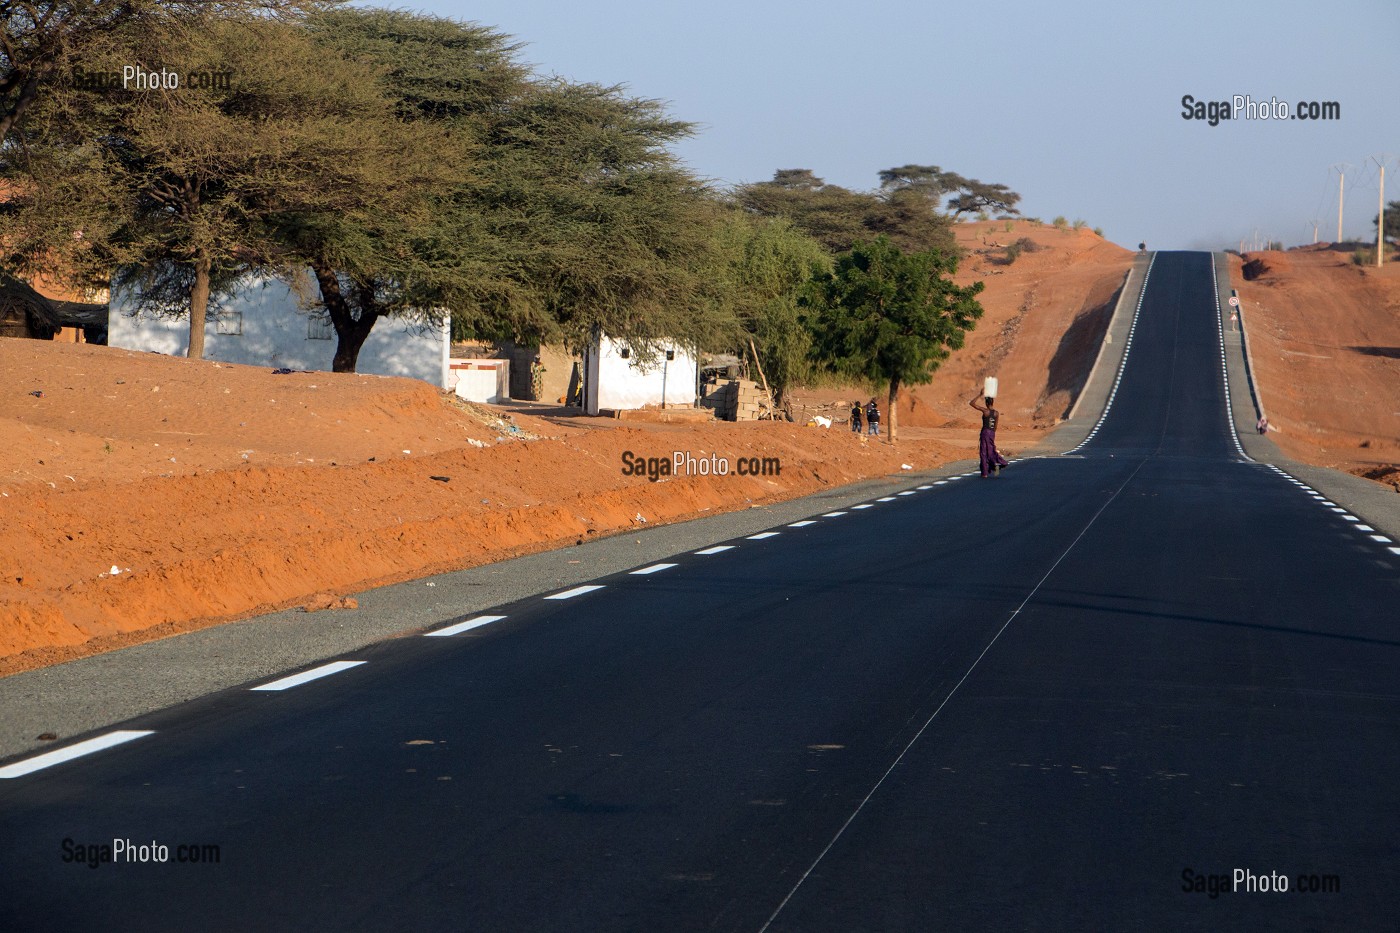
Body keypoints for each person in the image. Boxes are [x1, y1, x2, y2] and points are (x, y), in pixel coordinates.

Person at [969, 391, 1009, 477]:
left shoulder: (985, 411)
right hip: (992, 433)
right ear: (992, 402)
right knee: (991, 450)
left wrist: (980, 394)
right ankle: (998, 466)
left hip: (985, 432)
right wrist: (992, 434)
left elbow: (972, 403)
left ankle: (984, 473)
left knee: (983, 452)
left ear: (986, 403)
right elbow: (995, 426)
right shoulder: (996, 413)